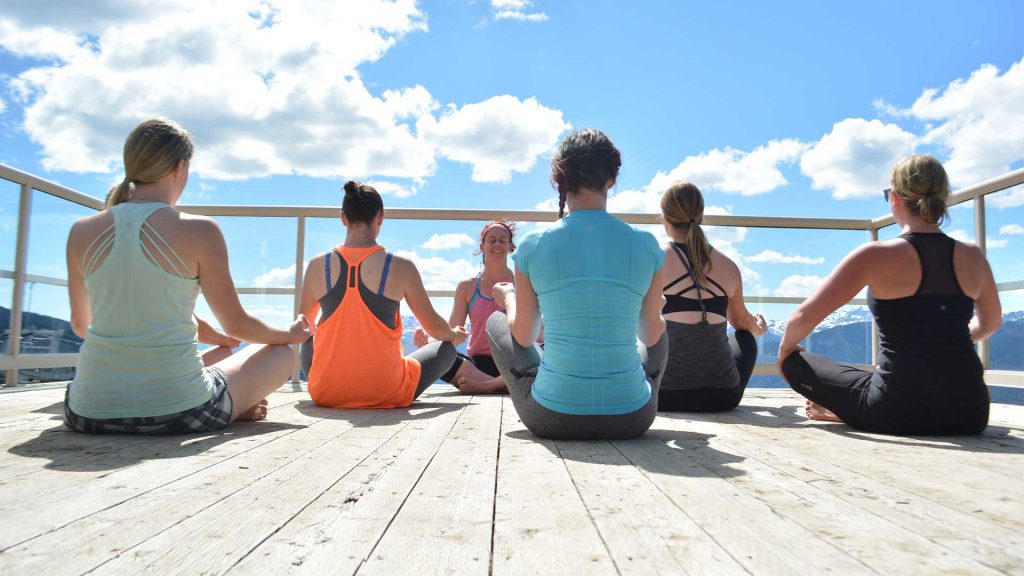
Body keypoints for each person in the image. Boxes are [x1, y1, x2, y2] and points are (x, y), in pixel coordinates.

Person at [65, 118, 313, 434]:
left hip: (86, 411)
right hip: (181, 411)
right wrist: (291, 336)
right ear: (180, 167)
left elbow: (80, 324)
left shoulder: (81, 230)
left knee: (217, 361)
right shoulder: (200, 230)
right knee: (279, 353)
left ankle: (237, 404)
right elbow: (237, 325)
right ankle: (238, 406)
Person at [779, 154, 1001, 435]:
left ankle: (846, 412)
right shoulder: (973, 256)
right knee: (869, 378)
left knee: (796, 363)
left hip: (895, 410)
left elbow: (803, 317)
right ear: (943, 197)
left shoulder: (875, 255)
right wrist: (947, 339)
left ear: (895, 197)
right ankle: (845, 410)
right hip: (969, 413)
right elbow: (991, 323)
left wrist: (784, 353)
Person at [485, 128, 668, 440]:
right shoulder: (647, 244)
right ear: (611, 179)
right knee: (662, 329)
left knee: (497, 320)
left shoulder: (533, 245)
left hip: (554, 418)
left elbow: (525, 335)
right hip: (632, 417)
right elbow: (649, 335)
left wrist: (508, 297)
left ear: (561, 180)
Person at [299, 181, 467, 408]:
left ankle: (330, 382)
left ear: (343, 218)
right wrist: (454, 336)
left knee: (307, 334)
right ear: (380, 217)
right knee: (446, 350)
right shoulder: (400, 266)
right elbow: (436, 327)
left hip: (325, 393)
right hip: (387, 392)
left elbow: (303, 327)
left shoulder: (317, 265)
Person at [658, 182, 767, 411]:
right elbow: (741, 323)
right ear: (701, 217)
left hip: (662, 394)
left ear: (665, 217)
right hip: (722, 397)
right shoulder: (728, 266)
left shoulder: (654, 261)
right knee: (744, 337)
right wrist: (758, 328)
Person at [413, 220, 515, 394]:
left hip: (513, 362)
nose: (497, 244)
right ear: (482, 246)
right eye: (492, 240)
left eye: (502, 240)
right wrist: (427, 343)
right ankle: (504, 385)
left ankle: (487, 385)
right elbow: (452, 332)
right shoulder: (467, 286)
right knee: (439, 355)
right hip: (476, 366)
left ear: (510, 246)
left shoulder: (522, 284)